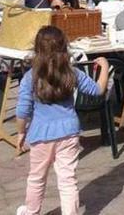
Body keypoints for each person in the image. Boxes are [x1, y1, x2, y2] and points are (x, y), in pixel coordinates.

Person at [15, 26, 109, 215]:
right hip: (69, 131)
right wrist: (105, 67)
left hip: (40, 134)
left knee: (36, 178)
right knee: (68, 180)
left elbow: (22, 110)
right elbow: (98, 90)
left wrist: (21, 132)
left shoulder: (30, 77)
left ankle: (32, 211)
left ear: (37, 49)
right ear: (64, 47)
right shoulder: (72, 73)